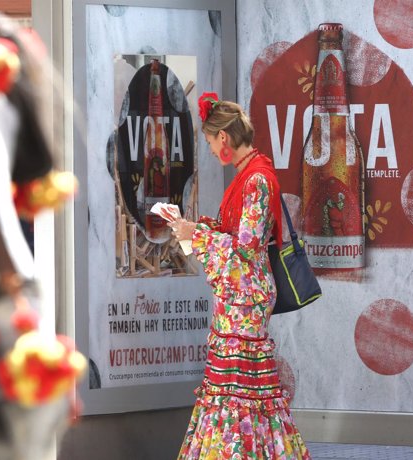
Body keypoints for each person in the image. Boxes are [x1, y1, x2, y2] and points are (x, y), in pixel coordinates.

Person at [170, 93, 310, 459]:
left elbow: (246, 247)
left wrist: (196, 235)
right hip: (240, 298)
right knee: (238, 387)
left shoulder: (256, 180)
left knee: (238, 388)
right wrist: (195, 228)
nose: (214, 151)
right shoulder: (251, 174)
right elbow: (237, 236)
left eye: (211, 143)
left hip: (244, 300)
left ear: (224, 139)